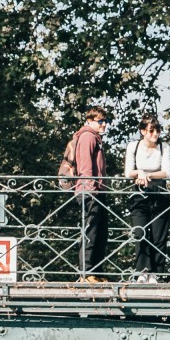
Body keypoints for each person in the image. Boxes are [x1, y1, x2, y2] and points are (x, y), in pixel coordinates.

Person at [61, 107, 111, 280]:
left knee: (100, 232)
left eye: (105, 121)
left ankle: (96, 271)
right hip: (90, 191)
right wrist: (91, 190)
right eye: (100, 121)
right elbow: (86, 167)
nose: (104, 124)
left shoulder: (95, 138)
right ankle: (87, 272)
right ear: (90, 121)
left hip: (97, 190)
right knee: (91, 231)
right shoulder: (88, 136)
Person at [124, 117, 170, 279]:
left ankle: (157, 273)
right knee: (140, 232)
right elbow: (128, 172)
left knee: (159, 235)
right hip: (139, 192)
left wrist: (149, 175)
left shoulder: (163, 146)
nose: (155, 134)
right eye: (151, 130)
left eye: (158, 130)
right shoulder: (134, 146)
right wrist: (140, 173)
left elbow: (167, 172)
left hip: (159, 191)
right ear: (143, 131)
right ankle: (143, 271)